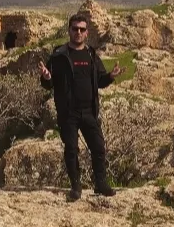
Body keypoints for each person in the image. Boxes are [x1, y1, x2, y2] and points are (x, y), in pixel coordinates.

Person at [38, 13, 123, 201]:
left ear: (86, 33)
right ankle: (76, 187)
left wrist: (110, 76)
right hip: (68, 112)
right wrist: (47, 77)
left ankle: (100, 184)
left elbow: (100, 81)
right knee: (71, 149)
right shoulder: (59, 55)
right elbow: (48, 84)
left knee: (98, 147)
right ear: (69, 30)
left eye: (82, 29)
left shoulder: (91, 54)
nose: (78, 32)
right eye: (75, 28)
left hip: (89, 111)